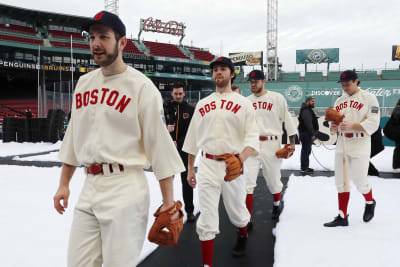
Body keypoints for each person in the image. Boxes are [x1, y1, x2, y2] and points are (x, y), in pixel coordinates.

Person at [53, 11, 185, 267]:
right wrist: (64, 183)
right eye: (92, 37)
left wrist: (168, 203)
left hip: (126, 188)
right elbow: (73, 137)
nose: (95, 43)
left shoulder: (141, 87)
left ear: (122, 42)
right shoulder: (83, 83)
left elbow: (159, 146)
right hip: (90, 186)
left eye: (104, 36)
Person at [183, 57, 259, 265]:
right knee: (207, 218)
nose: (218, 72)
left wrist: (240, 159)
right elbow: (192, 140)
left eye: (223, 69)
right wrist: (191, 169)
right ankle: (207, 264)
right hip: (207, 165)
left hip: (232, 165)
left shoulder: (244, 104)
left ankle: (242, 232)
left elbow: (252, 137)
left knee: (237, 212)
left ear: (232, 74)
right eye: (215, 69)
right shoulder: (203, 104)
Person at [324, 70, 379, 227]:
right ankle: (342, 216)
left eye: (347, 84)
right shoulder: (339, 100)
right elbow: (333, 125)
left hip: (360, 142)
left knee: (359, 180)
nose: (345, 87)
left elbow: (374, 122)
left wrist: (354, 126)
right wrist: (333, 127)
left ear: (356, 81)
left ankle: (370, 201)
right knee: (340, 181)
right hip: (342, 143)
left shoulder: (369, 98)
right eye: (342, 84)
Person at [244, 70, 297, 223]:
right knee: (247, 183)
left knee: (273, 181)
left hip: (271, 144)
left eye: (256, 81)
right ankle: (246, 219)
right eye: (251, 81)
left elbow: (289, 121)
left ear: (264, 81)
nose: (253, 84)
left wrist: (292, 143)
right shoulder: (246, 101)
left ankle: (276, 204)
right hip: (251, 144)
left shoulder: (277, 98)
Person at [164, 81, 196, 222]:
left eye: (180, 93)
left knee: (186, 181)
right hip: (168, 151)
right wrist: (167, 133)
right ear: (172, 93)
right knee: (167, 181)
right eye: (175, 93)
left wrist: (180, 142)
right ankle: (168, 210)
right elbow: (157, 126)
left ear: (184, 93)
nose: (178, 96)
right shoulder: (165, 108)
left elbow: (192, 131)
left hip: (183, 150)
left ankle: (189, 211)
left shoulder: (189, 110)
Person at [298, 96, 318, 173]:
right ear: (308, 101)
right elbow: (308, 123)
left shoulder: (307, 109)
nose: (314, 103)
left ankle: (305, 167)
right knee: (306, 150)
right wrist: (313, 134)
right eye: (312, 101)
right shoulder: (306, 110)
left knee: (306, 150)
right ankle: (304, 168)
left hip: (306, 133)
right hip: (306, 133)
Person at [383, 99, 400, 172]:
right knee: (399, 147)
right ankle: (396, 166)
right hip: (395, 131)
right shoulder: (398, 109)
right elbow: (396, 120)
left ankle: (396, 166)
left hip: (395, 131)